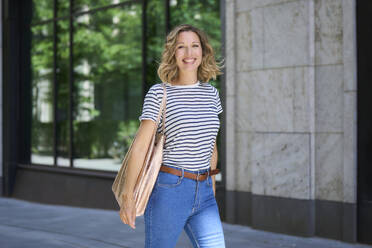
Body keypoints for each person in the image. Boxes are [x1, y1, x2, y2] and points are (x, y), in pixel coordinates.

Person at [119, 24, 226, 248]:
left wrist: (211, 184)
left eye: (194, 46)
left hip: (204, 191)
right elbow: (139, 147)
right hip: (170, 189)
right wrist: (127, 196)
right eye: (181, 47)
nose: (189, 53)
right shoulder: (159, 93)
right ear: (172, 53)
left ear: (203, 51)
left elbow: (211, 145)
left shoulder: (211, 93)